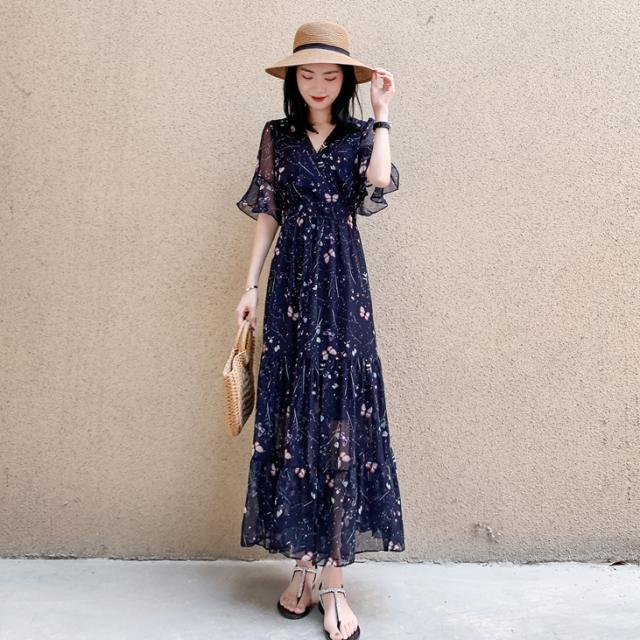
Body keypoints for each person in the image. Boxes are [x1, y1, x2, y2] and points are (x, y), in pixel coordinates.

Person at [234, 20, 405, 640]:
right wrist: (250, 287)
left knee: (338, 420)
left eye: (330, 76)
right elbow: (267, 213)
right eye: (307, 74)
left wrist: (382, 114)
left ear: (345, 82)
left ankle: (333, 580)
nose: (318, 85)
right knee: (293, 417)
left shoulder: (360, 135)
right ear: (293, 80)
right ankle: (304, 566)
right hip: (290, 289)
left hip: (342, 291)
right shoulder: (276, 135)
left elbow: (379, 183)